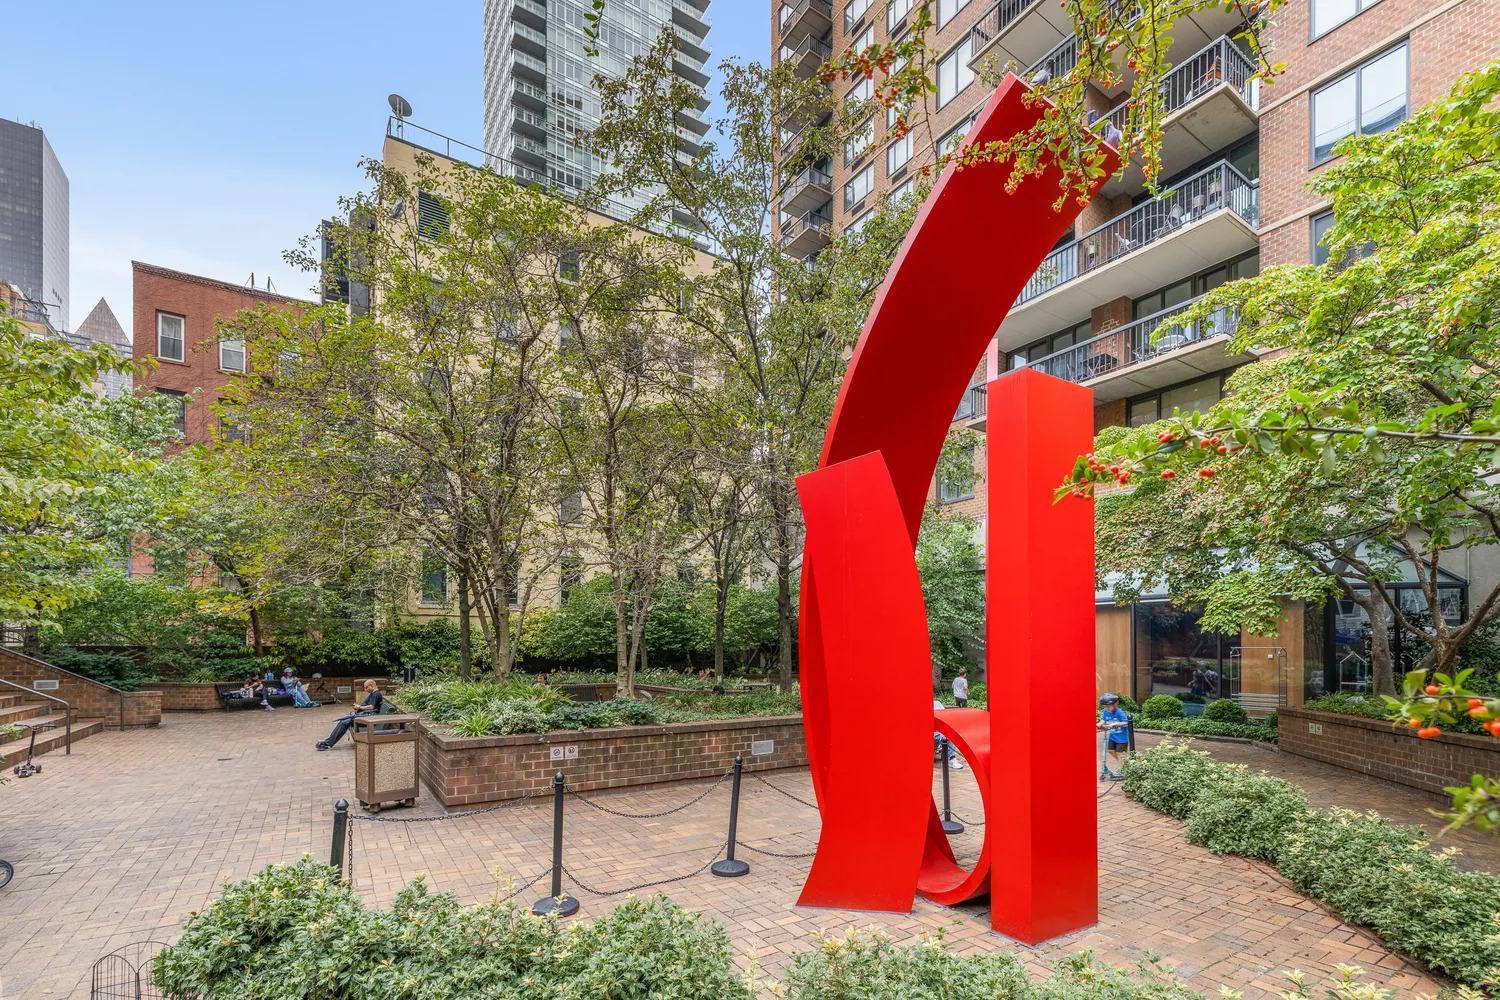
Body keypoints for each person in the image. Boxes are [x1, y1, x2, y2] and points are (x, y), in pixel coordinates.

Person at [315, 680, 384, 750]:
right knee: (343, 721)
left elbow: (371, 707)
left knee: (344, 723)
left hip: (369, 718)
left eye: (366, 688)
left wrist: (359, 707)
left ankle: (328, 743)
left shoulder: (376, 694)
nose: (365, 689)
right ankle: (328, 741)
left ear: (372, 686)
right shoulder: (374, 693)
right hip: (367, 716)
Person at [1098, 692, 1131, 780]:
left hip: (1122, 738)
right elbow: (1103, 720)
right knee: (1111, 750)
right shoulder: (1106, 711)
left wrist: (1116, 724)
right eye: (1106, 707)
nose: (1107, 709)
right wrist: (1100, 723)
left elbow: (1126, 722)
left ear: (1115, 704)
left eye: (1109, 706)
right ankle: (1124, 765)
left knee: (1120, 754)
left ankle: (1122, 769)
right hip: (1113, 736)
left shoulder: (1120, 712)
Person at [933, 699, 962, 770]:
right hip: (931, 733)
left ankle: (951, 758)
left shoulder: (937, 703)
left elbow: (944, 718)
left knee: (949, 734)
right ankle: (951, 757)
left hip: (939, 732)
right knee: (945, 735)